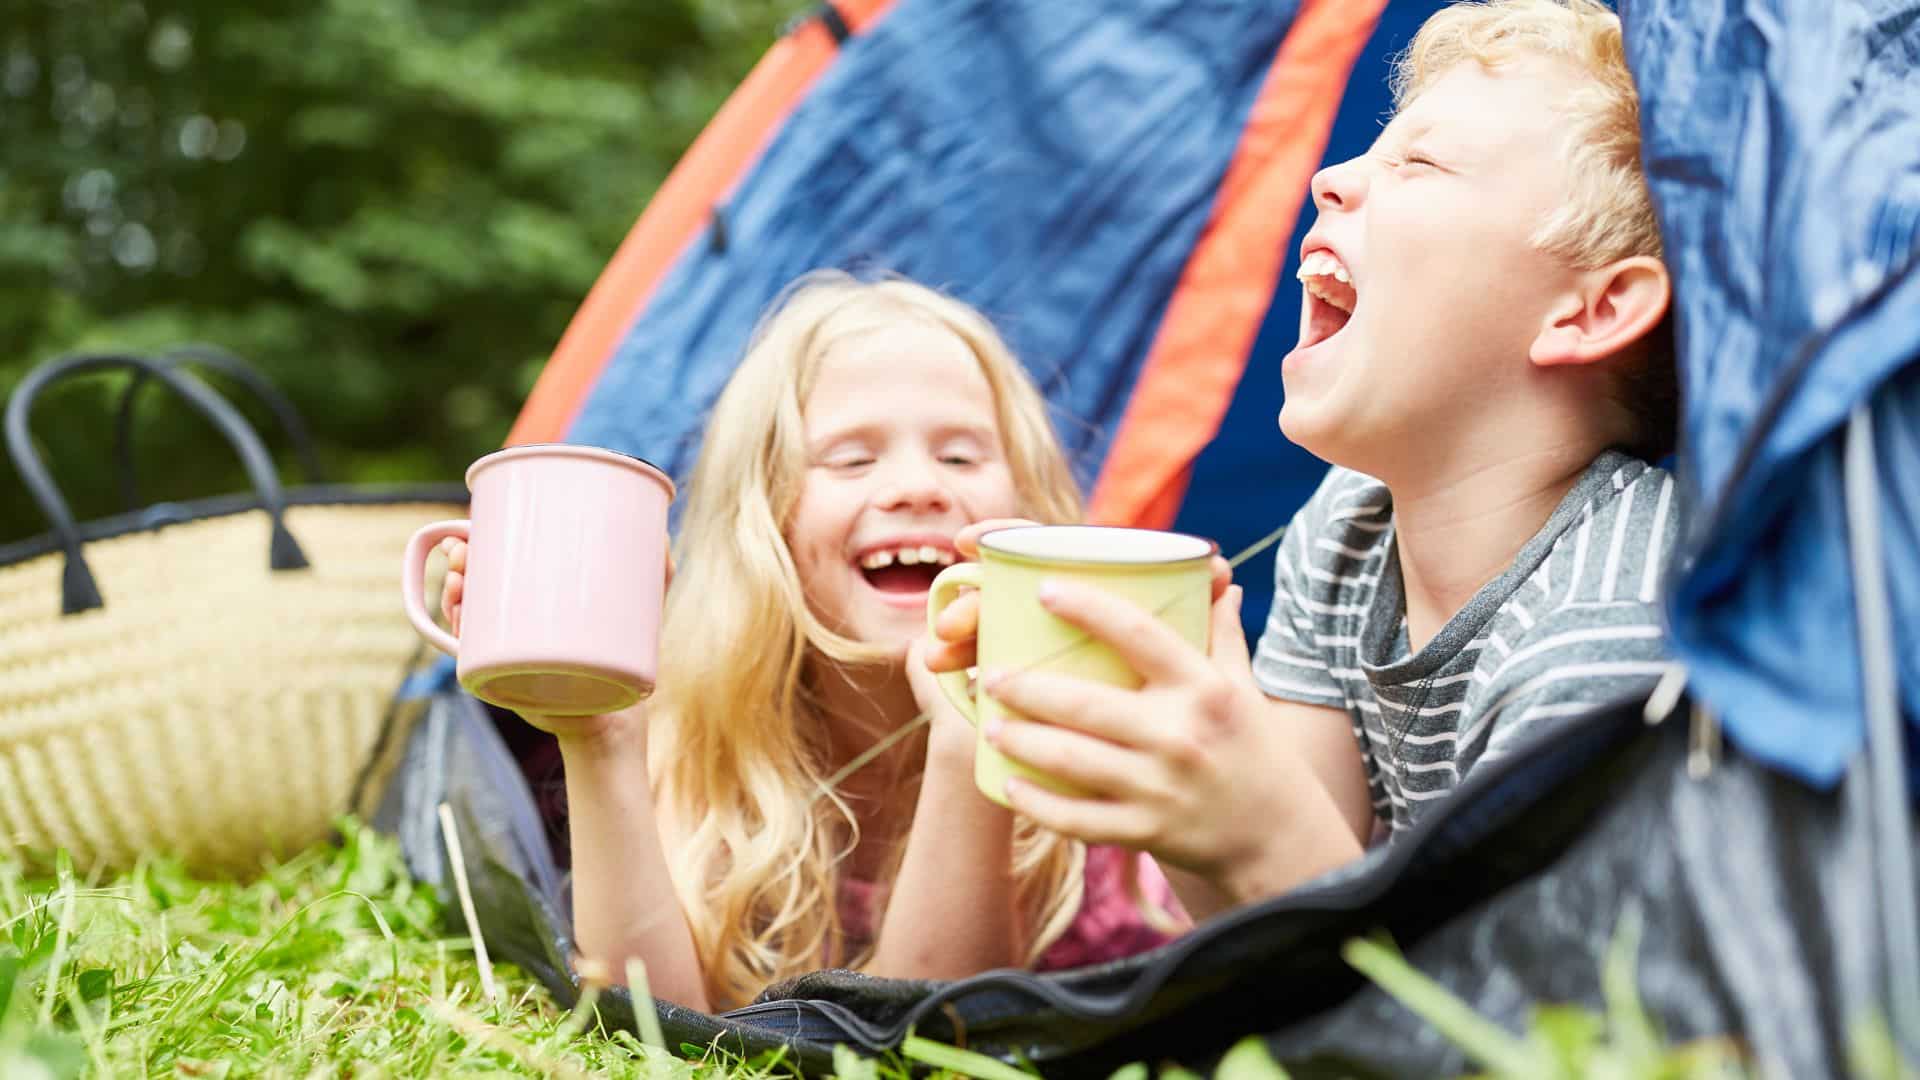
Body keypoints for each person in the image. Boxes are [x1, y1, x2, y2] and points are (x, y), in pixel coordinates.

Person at [928, 0, 1681, 922]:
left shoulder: (1605, 633)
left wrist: (1258, 823)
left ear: (1591, 312)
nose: (1330, 177)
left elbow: (1493, 1037)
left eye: (1420, 164)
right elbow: (1260, 930)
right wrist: (1193, 748)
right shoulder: (1352, 522)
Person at [440, 272, 1189, 1010]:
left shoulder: (1083, 770)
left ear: (1026, 507)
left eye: (960, 456)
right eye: (852, 459)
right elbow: (654, 1035)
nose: (916, 487)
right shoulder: (705, 752)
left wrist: (969, 741)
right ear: (768, 522)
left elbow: (923, 1048)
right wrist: (602, 740)